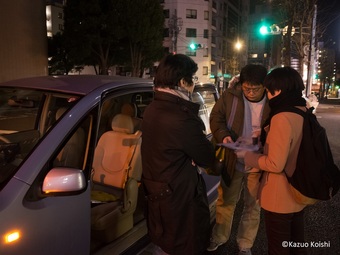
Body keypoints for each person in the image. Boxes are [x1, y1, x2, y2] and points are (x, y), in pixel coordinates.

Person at [141, 54, 215, 255]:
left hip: (158, 191)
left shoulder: (152, 109)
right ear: (183, 81)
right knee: (183, 245)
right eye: (193, 78)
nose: (194, 84)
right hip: (180, 197)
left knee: (164, 243)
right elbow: (207, 157)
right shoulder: (181, 118)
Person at [242, 66, 308, 255]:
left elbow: (275, 164)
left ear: (278, 90)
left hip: (280, 195)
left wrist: (248, 156)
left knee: (278, 248)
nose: (268, 96)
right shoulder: (302, 111)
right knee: (297, 245)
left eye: (269, 91)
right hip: (298, 191)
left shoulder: (281, 117)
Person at [208, 64, 270, 255]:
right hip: (232, 158)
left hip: (258, 160)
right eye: (246, 88)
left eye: (255, 88)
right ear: (241, 84)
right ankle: (219, 237)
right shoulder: (230, 97)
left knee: (253, 205)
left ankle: (245, 244)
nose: (250, 92)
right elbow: (216, 118)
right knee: (225, 201)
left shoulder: (272, 101)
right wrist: (224, 136)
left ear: (264, 86)